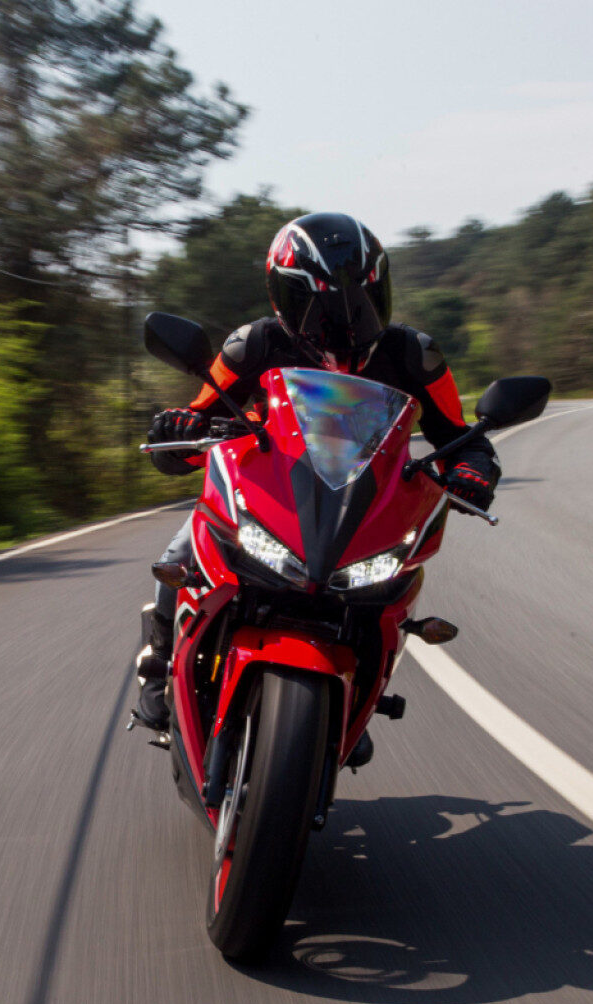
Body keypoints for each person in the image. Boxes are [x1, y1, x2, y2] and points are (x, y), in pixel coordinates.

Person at [131, 211, 501, 736]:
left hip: (365, 508)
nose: (345, 320)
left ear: (383, 291)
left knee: (393, 591)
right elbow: (204, 416)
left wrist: (474, 471)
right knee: (184, 555)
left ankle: (357, 695)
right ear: (285, 297)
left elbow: (460, 434)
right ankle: (157, 666)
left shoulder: (414, 355)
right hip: (266, 490)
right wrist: (179, 434)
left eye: (360, 302)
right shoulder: (254, 345)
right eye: (321, 305)